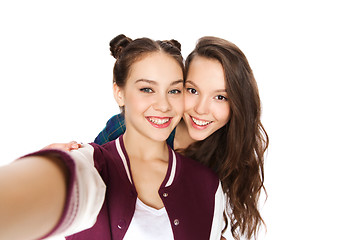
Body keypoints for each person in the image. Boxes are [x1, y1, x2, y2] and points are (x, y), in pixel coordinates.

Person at [0, 35, 225, 240]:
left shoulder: (208, 184)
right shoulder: (91, 164)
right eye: (147, 89)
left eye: (174, 91)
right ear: (119, 93)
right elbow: (58, 184)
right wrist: (50, 165)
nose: (163, 105)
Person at [92, 36, 269, 240]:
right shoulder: (126, 127)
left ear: (238, 103)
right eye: (192, 90)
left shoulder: (228, 150)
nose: (201, 109)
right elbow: (93, 176)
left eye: (220, 97)